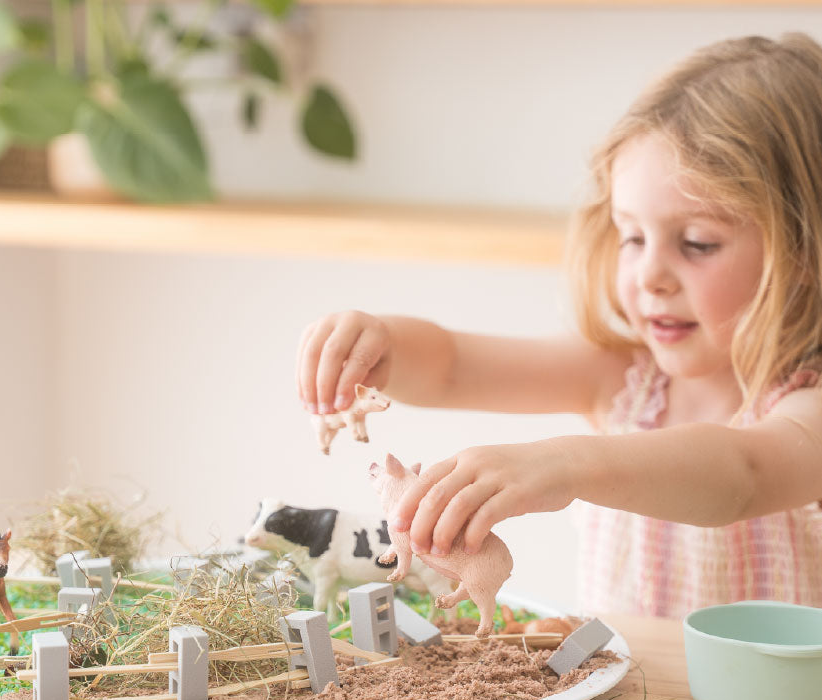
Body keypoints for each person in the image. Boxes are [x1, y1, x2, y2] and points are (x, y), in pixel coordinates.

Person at [295, 34, 822, 618]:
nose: (650, 275)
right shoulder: (626, 380)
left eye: (697, 243)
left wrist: (566, 464)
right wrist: (382, 343)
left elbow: (742, 474)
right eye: (632, 236)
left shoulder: (807, 412)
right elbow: (451, 368)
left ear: (802, 250)